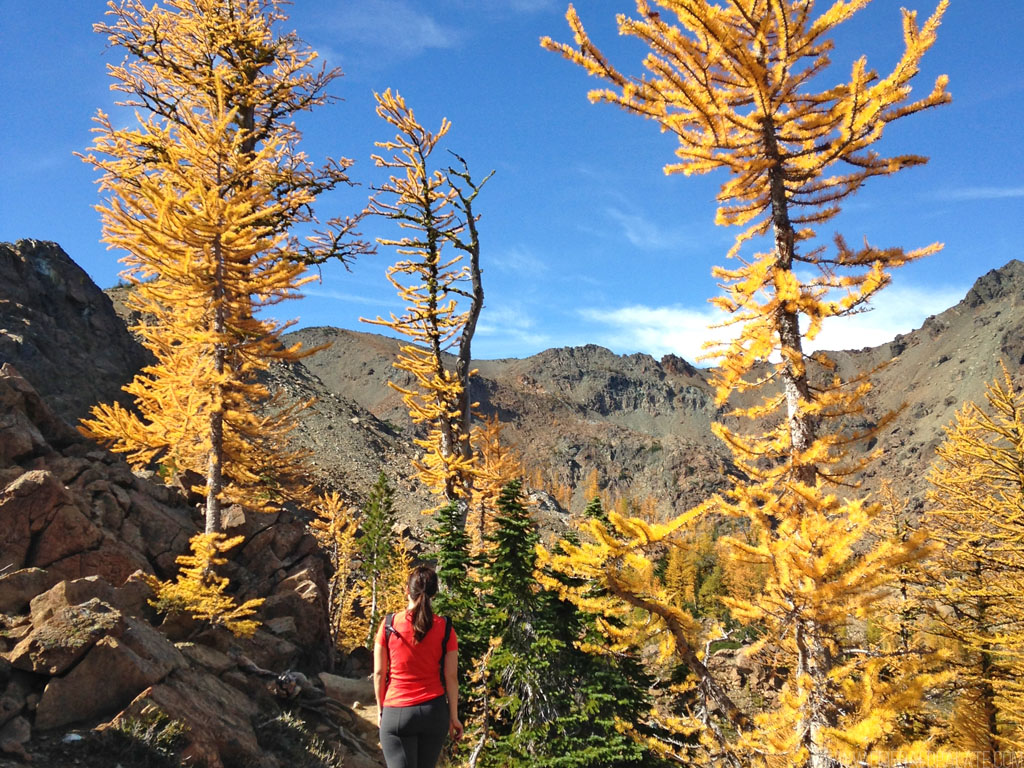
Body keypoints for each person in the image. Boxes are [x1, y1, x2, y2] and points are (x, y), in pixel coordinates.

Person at [374, 565, 464, 768]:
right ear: (434, 593)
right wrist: (454, 717)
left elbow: (379, 673)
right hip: (434, 712)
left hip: (397, 711)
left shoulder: (389, 625)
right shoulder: (446, 628)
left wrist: (381, 711)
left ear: (407, 590)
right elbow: (451, 677)